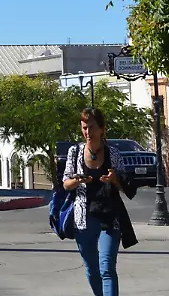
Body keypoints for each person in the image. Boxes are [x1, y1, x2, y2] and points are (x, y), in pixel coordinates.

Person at [62, 107, 139, 296]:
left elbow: (125, 185)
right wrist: (78, 180)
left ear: (102, 128)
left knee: (107, 268)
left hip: (109, 216)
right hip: (83, 218)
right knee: (92, 270)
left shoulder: (113, 153)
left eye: (92, 127)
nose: (88, 132)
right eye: (84, 127)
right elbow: (65, 184)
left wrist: (114, 179)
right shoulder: (75, 152)